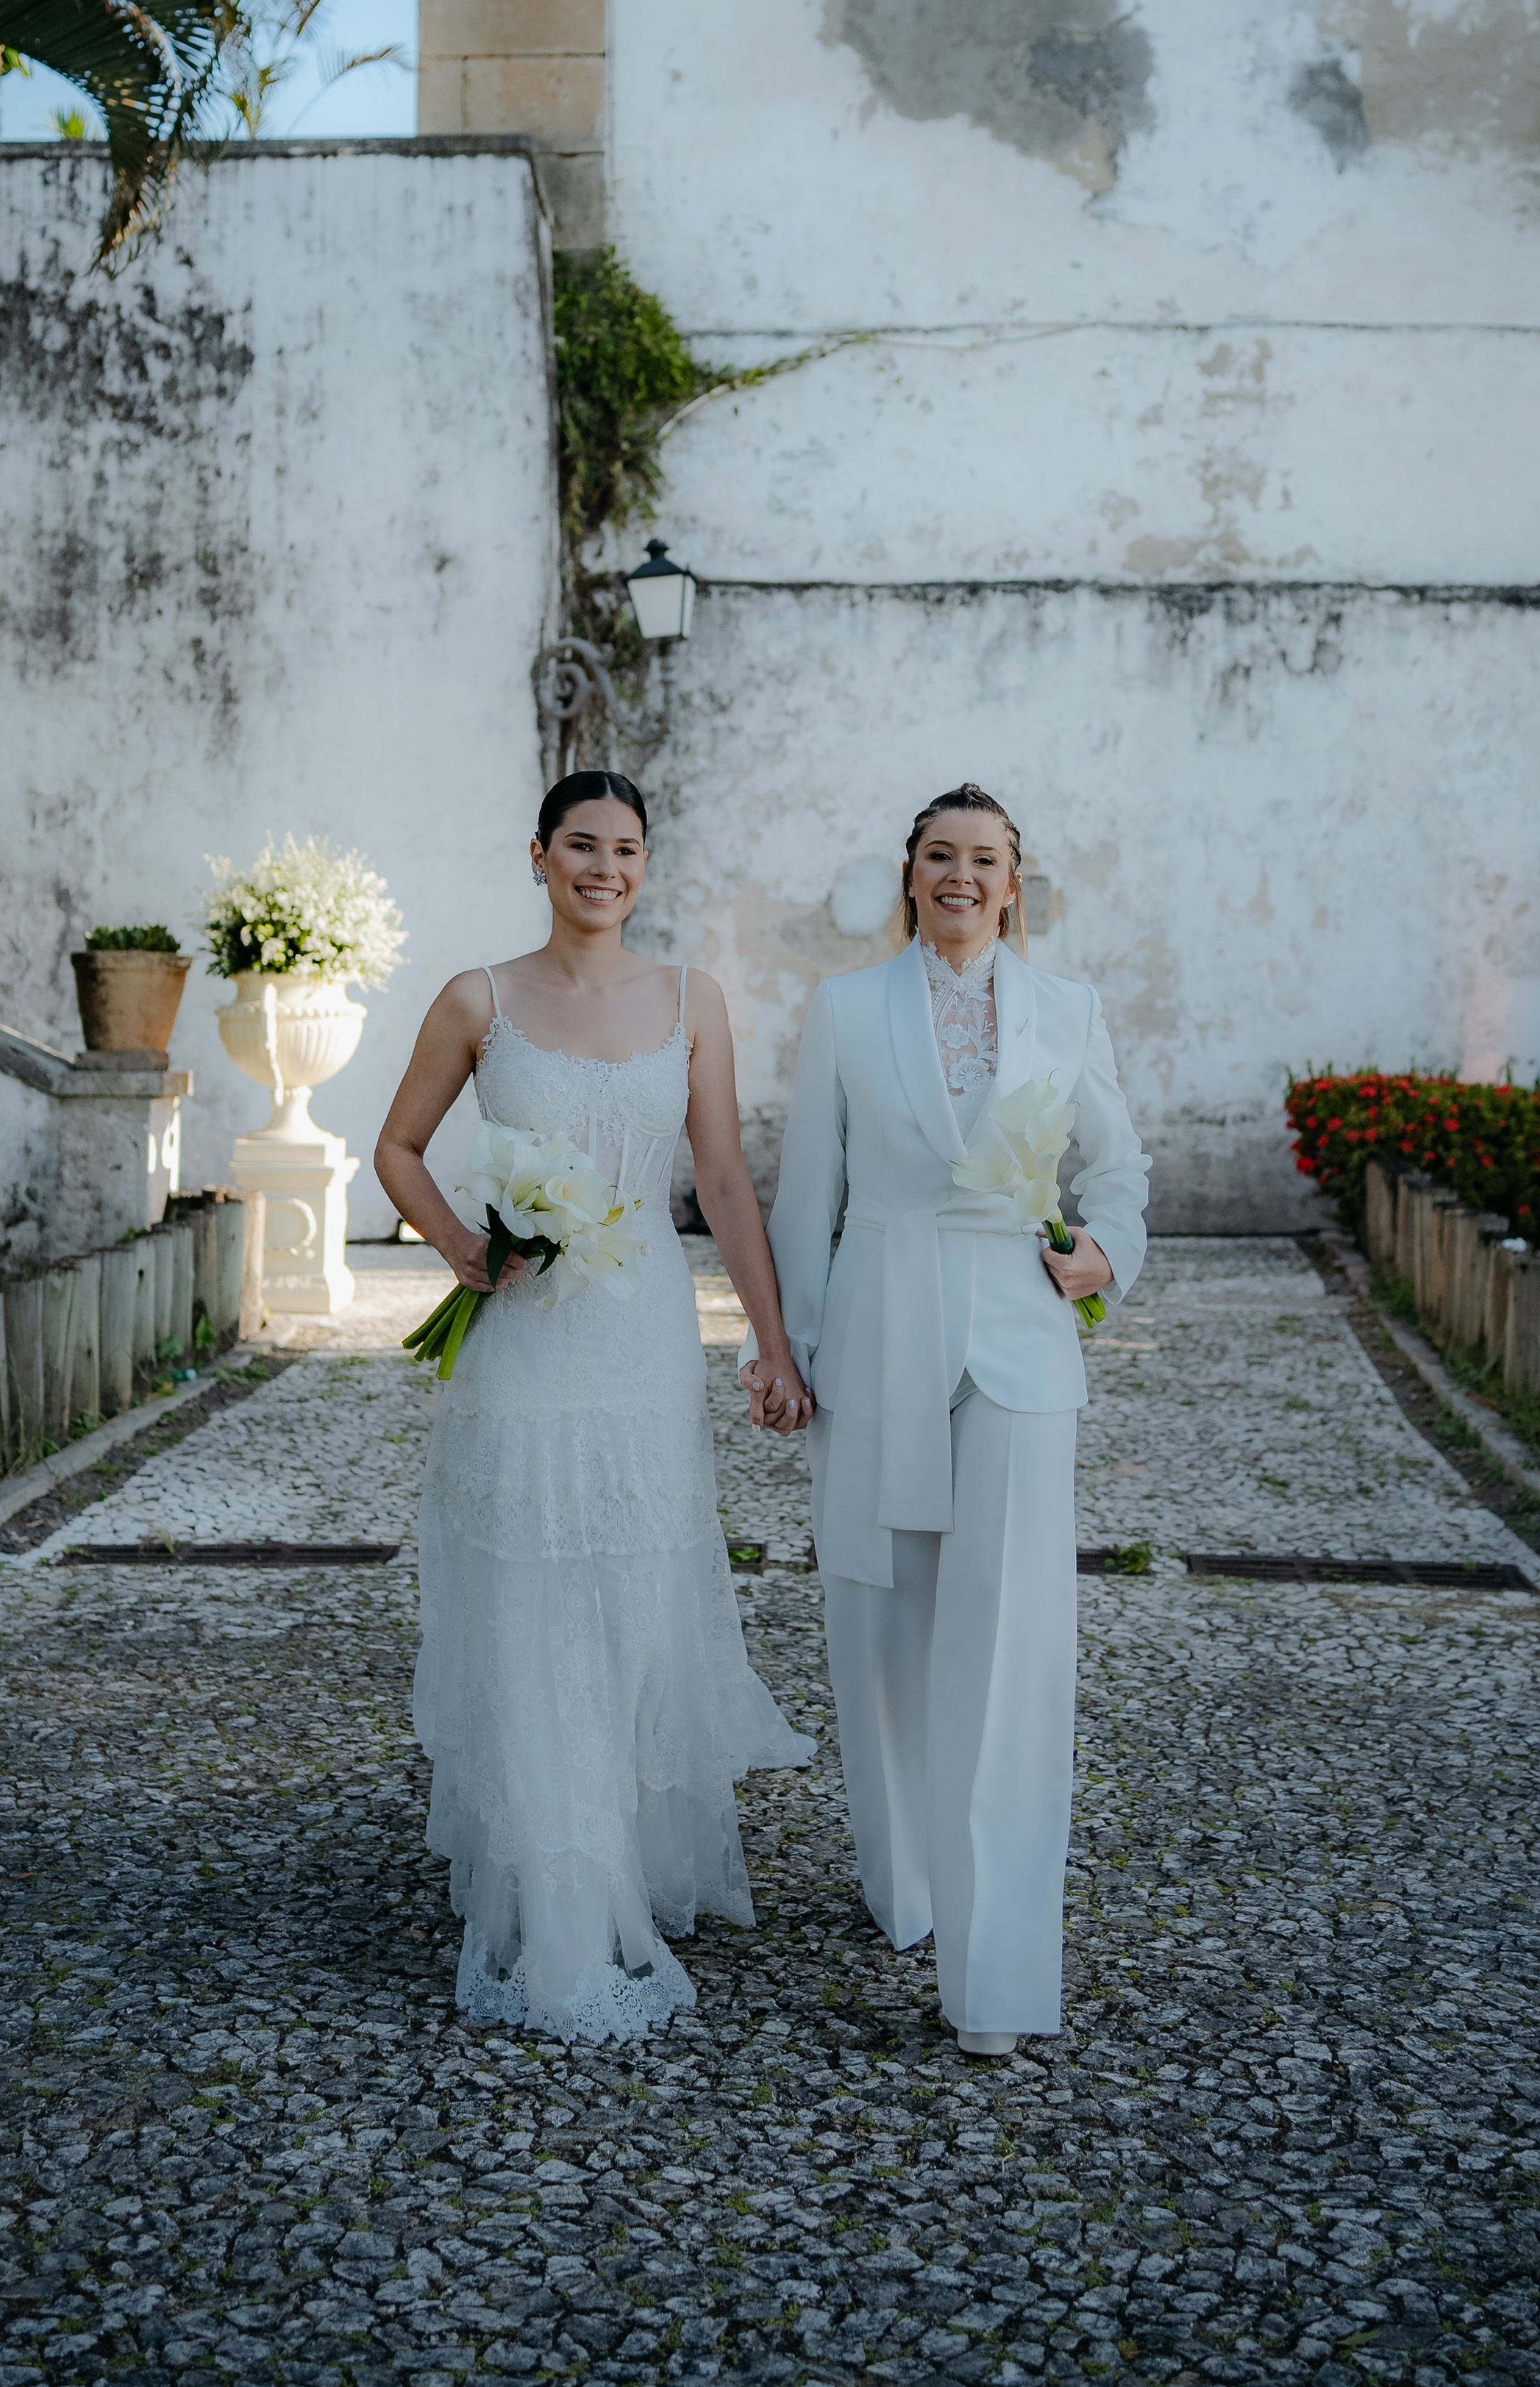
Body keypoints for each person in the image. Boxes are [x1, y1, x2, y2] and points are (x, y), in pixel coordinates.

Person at [374, 769, 814, 2042]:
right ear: (539, 855)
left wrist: (771, 1342)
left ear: (644, 865)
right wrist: (463, 1244)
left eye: (625, 848)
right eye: (581, 844)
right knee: (531, 1596)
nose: (604, 867)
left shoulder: (693, 1002)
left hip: (641, 1342)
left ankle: (614, 1847)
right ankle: (556, 1891)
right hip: (522, 1349)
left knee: (628, 1593)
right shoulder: (479, 998)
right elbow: (396, 1147)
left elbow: (724, 1180)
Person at [752, 782, 1149, 2055]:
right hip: (878, 1333)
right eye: (940, 856)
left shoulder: (1067, 1010)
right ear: (909, 873)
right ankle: (905, 1876)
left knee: (1012, 1644)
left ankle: (997, 1972)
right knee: (882, 1618)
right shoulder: (848, 1008)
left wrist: (1110, 1251)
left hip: (1023, 1346)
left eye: (986, 858)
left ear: (1015, 879)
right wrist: (791, 1352)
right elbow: (808, 1185)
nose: (961, 875)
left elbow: (1122, 1167)